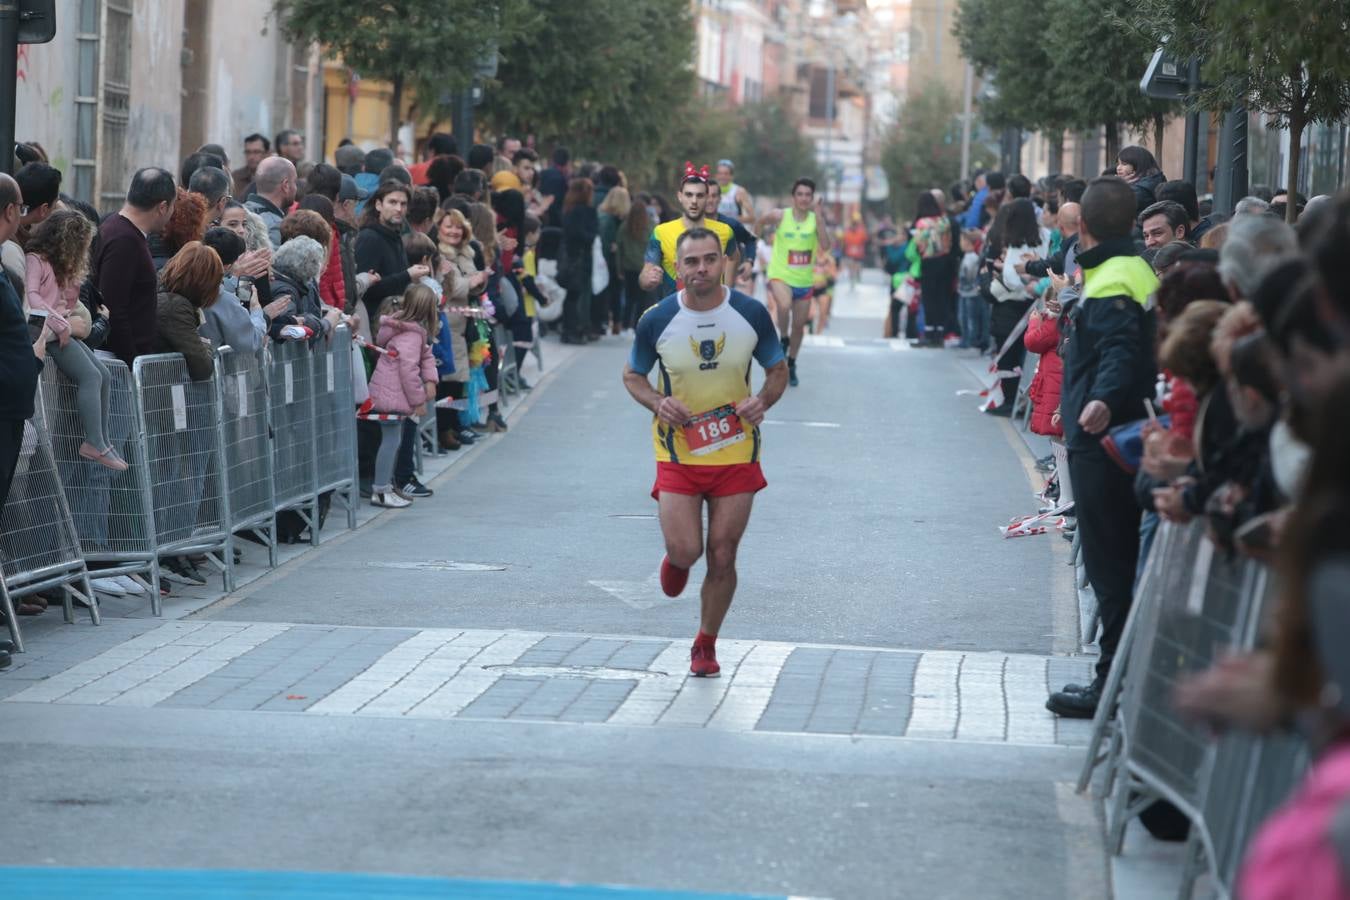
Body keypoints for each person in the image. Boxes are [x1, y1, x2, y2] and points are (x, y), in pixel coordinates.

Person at [622, 227, 788, 677]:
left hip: (736, 452)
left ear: (723, 262)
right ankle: (676, 559)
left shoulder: (750, 312)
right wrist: (659, 401)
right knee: (687, 551)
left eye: (710, 260)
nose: (702, 269)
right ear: (679, 267)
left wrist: (763, 400)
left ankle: (705, 643)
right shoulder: (657, 318)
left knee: (723, 555)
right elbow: (633, 376)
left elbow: (777, 368)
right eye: (692, 262)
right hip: (678, 453)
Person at [1047, 176, 1160, 718]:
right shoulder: (1135, 267)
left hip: (1104, 441)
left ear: (1083, 227)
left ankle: (1109, 685)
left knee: (1110, 565)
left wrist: (1101, 402)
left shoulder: (1112, 278)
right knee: (1120, 562)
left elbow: (1119, 346)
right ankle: (1120, 680)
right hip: (1125, 432)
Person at [24, 210, 124, 470]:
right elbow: (34, 297)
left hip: (58, 328)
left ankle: (101, 441)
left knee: (104, 374)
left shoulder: (58, 268)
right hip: (47, 332)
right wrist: (60, 322)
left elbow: (64, 302)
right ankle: (94, 442)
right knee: (90, 377)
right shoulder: (35, 259)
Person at [366, 283, 438, 509]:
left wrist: (430, 380)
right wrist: (419, 401)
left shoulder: (404, 328)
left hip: (389, 391)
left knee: (392, 441)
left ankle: (386, 487)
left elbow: (424, 358)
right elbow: (408, 370)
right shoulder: (411, 335)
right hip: (393, 395)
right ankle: (380, 490)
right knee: (391, 441)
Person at [97, 168, 176, 368]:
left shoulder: (118, 230)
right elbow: (114, 307)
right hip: (119, 367)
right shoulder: (125, 240)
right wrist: (132, 362)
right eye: (173, 206)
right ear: (163, 207)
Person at [759, 177, 830, 386]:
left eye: (808, 195)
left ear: (812, 198)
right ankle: (782, 337)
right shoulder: (781, 216)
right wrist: (752, 246)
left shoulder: (814, 219)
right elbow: (760, 221)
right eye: (800, 194)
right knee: (784, 304)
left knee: (799, 326)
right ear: (793, 197)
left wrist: (819, 217)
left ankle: (792, 362)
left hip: (804, 280)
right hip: (780, 274)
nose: (804, 198)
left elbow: (825, 246)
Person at [909, 191, 954, 348]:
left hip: (928, 262)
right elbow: (948, 243)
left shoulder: (922, 223)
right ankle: (939, 334)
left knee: (929, 297)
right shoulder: (944, 221)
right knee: (941, 297)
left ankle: (928, 333)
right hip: (945, 262)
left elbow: (919, 244)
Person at [561, 178, 599, 344]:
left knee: (571, 296)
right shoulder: (587, 211)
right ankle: (578, 328)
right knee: (581, 295)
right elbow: (589, 235)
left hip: (569, 257)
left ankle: (568, 329)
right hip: (582, 258)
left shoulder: (568, 210)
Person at [704, 181, 757, 289]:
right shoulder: (690, 225)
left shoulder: (730, 224)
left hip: (724, 287)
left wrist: (749, 261)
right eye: (706, 196)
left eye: (714, 196)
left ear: (720, 199)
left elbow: (750, 240)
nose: (710, 200)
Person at [616, 196, 653, 329]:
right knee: (642, 300)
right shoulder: (649, 227)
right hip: (644, 266)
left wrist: (619, 268)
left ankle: (625, 326)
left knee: (629, 298)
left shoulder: (624, 227)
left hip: (628, 266)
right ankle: (638, 325)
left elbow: (619, 249)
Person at [244, 157, 297, 248]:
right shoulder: (277, 227)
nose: (296, 188)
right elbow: (274, 262)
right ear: (286, 185)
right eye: (295, 182)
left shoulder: (237, 214)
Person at [956, 229, 985, 352]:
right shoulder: (967, 257)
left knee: (970, 317)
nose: (960, 243)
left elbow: (971, 276)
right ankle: (966, 338)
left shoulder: (973, 258)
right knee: (964, 316)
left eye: (962, 240)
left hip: (971, 292)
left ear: (968, 242)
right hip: (964, 292)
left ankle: (971, 340)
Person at [1115, 145, 1166, 215]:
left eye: (1124, 164)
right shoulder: (1151, 180)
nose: (1118, 168)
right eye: (1118, 164)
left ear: (1137, 165)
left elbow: (1114, 207)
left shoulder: (1140, 190)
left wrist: (1118, 185)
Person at [538, 146, 570, 229]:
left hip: (540, 216)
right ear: (566, 163)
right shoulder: (561, 179)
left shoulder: (542, 174)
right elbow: (558, 204)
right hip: (554, 222)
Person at [233, 133, 269, 198]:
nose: (251, 157)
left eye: (256, 152)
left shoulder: (275, 178)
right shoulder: (235, 177)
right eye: (248, 152)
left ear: (267, 154)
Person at [841, 214, 868, 287]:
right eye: (854, 223)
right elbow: (844, 240)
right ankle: (852, 279)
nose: (854, 225)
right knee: (851, 266)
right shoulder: (847, 231)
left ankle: (857, 275)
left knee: (858, 266)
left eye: (856, 223)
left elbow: (865, 240)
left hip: (859, 253)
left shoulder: (862, 230)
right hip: (850, 252)